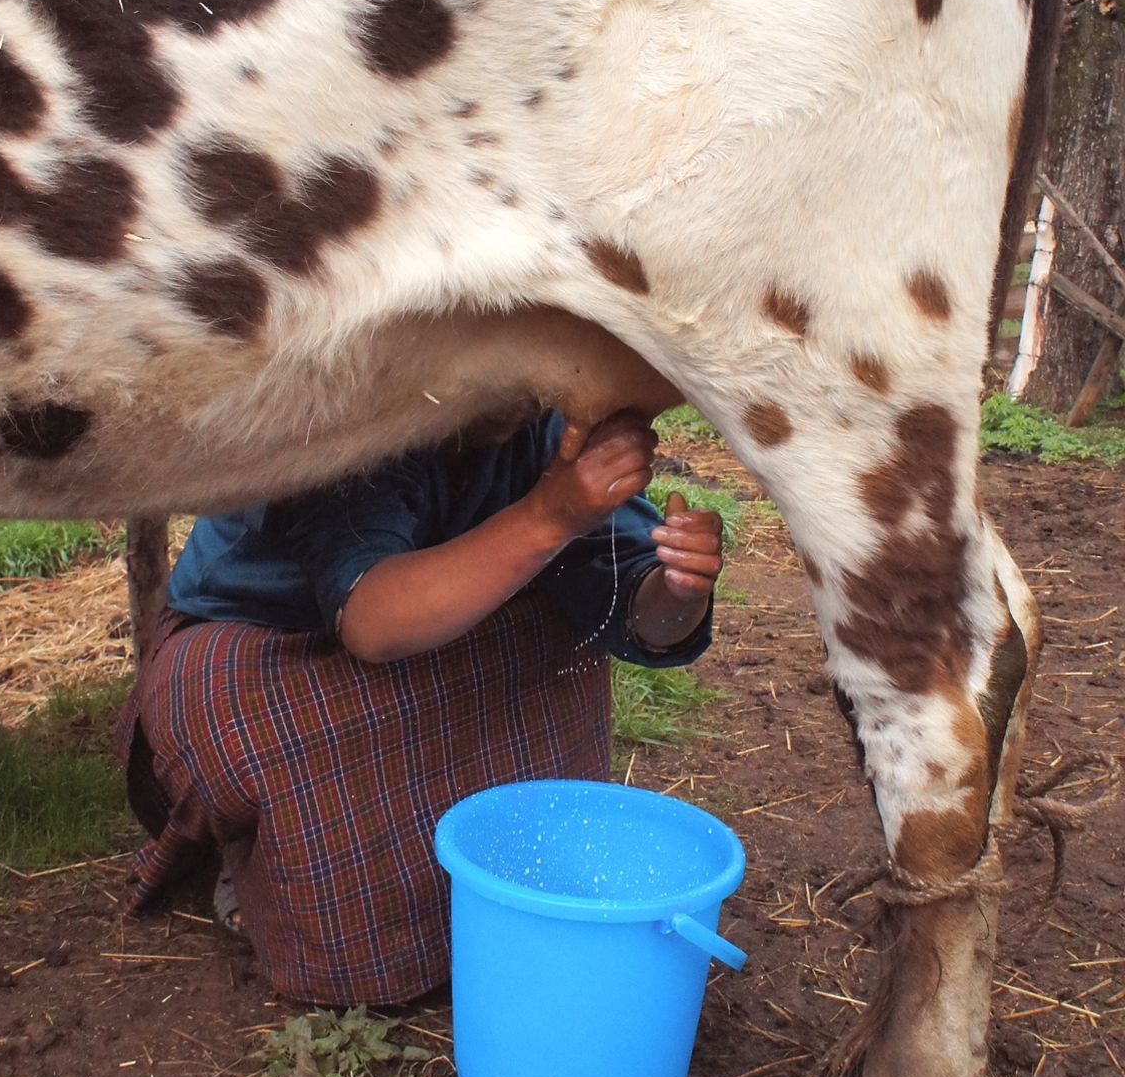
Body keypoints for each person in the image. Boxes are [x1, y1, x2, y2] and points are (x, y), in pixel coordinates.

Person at [119, 409, 723, 1007]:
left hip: (434, 646)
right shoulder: (340, 417)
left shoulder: (546, 430)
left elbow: (634, 604)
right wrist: (551, 515)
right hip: (273, 653)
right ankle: (259, 867)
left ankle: (490, 885)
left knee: (556, 633)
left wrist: (677, 591)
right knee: (229, 703)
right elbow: (372, 621)